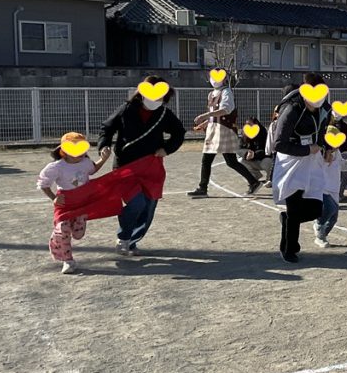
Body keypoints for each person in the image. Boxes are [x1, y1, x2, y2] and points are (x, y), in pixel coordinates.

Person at [98, 76, 186, 255]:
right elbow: (107, 128)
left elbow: (179, 132)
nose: (156, 99)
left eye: (160, 96)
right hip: (126, 166)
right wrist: (104, 145)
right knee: (136, 203)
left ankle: (131, 241)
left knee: (148, 207)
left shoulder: (164, 113)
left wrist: (167, 149)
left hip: (151, 167)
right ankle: (123, 237)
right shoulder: (126, 109)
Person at [271, 73, 330, 263]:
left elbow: (322, 134)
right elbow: (279, 144)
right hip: (291, 163)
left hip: (313, 162)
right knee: (295, 206)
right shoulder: (292, 110)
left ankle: (288, 218)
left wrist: (326, 149)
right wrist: (306, 149)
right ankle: (289, 249)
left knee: (316, 209)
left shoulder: (325, 109)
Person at [37, 133, 111, 274]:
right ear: (64, 151)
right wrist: (53, 198)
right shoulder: (56, 167)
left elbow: (93, 169)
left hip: (82, 203)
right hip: (64, 204)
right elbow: (43, 183)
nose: (80, 152)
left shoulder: (86, 163)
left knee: (78, 234)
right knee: (63, 229)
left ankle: (62, 237)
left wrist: (103, 159)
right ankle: (68, 260)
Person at [188, 73, 260, 197]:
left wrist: (204, 116)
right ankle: (253, 182)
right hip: (214, 130)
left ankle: (203, 188)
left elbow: (225, 110)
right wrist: (205, 123)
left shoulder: (227, 92)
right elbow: (214, 115)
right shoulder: (211, 94)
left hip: (224, 130)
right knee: (215, 160)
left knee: (225, 161)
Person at [239, 117, 272, 183]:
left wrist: (254, 154)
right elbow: (239, 148)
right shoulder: (244, 133)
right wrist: (246, 153)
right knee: (240, 161)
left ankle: (270, 178)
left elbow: (267, 149)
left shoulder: (263, 133)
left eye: (250, 124)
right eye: (247, 124)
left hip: (263, 158)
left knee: (267, 162)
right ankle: (255, 176)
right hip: (252, 159)